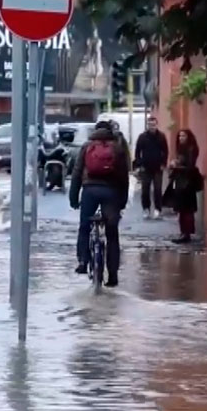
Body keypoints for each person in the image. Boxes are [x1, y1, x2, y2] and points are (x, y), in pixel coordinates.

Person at [69, 120, 131, 287]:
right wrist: (122, 201)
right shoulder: (117, 148)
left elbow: (76, 173)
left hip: (89, 190)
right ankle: (112, 275)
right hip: (111, 192)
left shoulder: (87, 146)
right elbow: (124, 177)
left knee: (84, 226)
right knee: (112, 233)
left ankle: (83, 261)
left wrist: (73, 198)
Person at [169, 129, 201, 244]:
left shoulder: (191, 149)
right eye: (180, 136)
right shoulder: (182, 149)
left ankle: (186, 234)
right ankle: (183, 232)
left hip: (188, 182)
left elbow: (190, 166)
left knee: (186, 209)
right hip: (181, 181)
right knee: (182, 209)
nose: (181, 138)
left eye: (183, 136)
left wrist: (176, 166)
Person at [134, 117, 169, 220]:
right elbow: (137, 152)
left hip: (158, 167)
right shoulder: (142, 137)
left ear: (156, 125)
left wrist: (163, 164)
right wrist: (139, 164)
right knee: (145, 190)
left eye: (153, 125)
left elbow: (165, 151)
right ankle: (146, 208)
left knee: (157, 189)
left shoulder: (161, 136)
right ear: (147, 125)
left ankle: (158, 209)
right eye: (150, 125)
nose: (152, 127)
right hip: (146, 168)